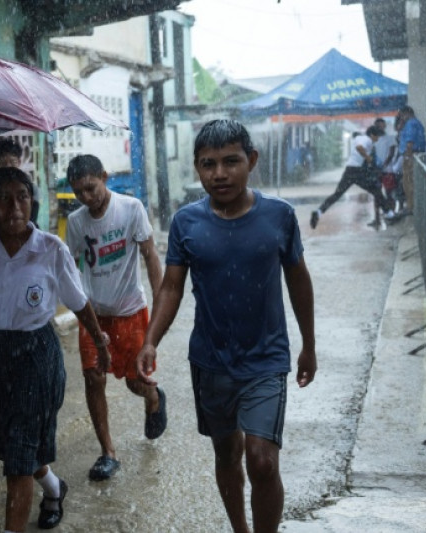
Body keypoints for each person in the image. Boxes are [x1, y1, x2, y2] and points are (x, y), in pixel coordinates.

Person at [136, 119, 316, 533]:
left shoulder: (279, 217)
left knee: (262, 460)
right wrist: (150, 341)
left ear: (251, 161)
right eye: (208, 164)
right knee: (226, 454)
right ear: (197, 168)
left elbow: (298, 280)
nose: (220, 174)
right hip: (211, 361)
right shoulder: (187, 223)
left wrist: (308, 344)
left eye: (231, 162)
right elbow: (171, 289)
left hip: (267, 359)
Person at [0, 167, 112, 532]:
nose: (14, 207)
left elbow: (78, 300)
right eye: (4, 199)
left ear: (32, 202)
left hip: (36, 356)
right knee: (12, 446)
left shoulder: (51, 248)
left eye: (22, 196)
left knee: (19, 457)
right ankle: (53, 487)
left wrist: (99, 342)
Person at [64, 154, 165, 482]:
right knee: (94, 378)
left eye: (91, 188)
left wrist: (161, 309)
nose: (86, 197)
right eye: (79, 192)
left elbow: (150, 258)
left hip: (129, 313)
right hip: (93, 316)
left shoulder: (131, 208)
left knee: (136, 381)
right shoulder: (77, 222)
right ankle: (108, 452)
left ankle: (153, 398)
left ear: (104, 177)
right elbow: (72, 266)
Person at [310, 126, 393, 229]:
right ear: (372, 135)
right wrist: (368, 158)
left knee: (337, 194)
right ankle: (390, 213)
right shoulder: (367, 140)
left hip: (349, 170)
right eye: (377, 136)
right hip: (357, 171)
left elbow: (357, 143)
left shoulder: (359, 138)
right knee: (375, 190)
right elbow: (359, 148)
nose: (378, 139)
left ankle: (318, 212)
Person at [396, 105, 426, 214]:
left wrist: (408, 156)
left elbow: (410, 142)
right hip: (416, 154)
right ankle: (412, 205)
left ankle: (411, 206)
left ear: (407, 113)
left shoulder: (411, 124)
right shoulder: (417, 123)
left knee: (408, 182)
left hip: (411, 155)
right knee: (412, 181)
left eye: (402, 115)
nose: (401, 118)